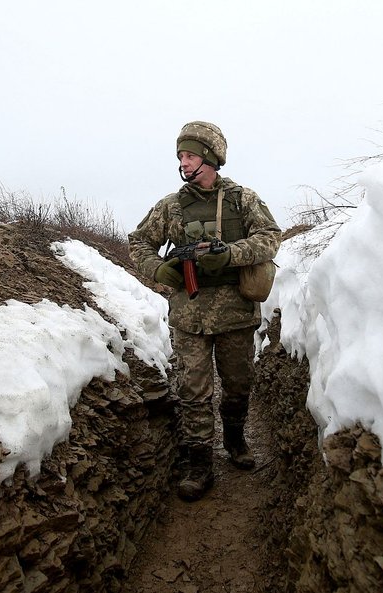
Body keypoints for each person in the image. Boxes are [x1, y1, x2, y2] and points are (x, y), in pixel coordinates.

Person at [128, 121, 281, 501]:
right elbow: (138, 242)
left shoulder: (243, 200)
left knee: (238, 383)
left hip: (236, 314)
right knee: (193, 391)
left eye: (191, 154)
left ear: (210, 158)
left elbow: (270, 237)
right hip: (190, 316)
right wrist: (158, 269)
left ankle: (235, 440)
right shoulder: (170, 206)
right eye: (180, 154)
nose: (184, 160)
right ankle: (199, 462)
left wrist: (230, 254)